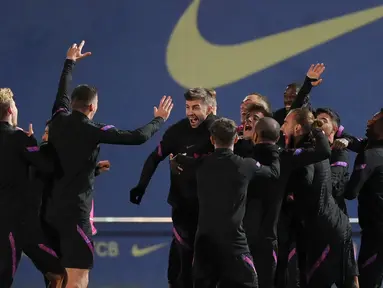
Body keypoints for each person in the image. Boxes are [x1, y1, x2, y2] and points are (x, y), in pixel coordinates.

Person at [45, 41, 173, 288]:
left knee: (58, 277)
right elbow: (137, 137)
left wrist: (69, 62)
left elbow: (61, 91)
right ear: (93, 107)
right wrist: (159, 119)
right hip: (75, 214)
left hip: (50, 213)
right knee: (78, 278)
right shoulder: (92, 130)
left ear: (72, 104)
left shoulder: (58, 118)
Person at [175, 117, 280, 287]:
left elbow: (180, 161)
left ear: (212, 139)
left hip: (204, 243)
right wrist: (270, 146)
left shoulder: (199, 164)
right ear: (236, 139)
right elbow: (274, 173)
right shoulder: (247, 165)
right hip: (234, 243)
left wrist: (174, 161)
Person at [130, 87, 217, 288]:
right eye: (187, 107)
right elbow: (154, 158)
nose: (190, 113)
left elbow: (228, 160)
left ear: (209, 109)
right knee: (179, 272)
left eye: (196, 107)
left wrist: (189, 161)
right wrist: (141, 186)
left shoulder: (217, 130)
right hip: (183, 210)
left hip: (210, 212)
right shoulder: (176, 132)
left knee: (208, 270)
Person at [280, 108, 357, 287]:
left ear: (297, 128)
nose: (281, 127)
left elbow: (306, 183)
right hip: (333, 225)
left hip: (326, 230)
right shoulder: (311, 149)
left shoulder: (306, 154)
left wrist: (287, 193)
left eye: (285, 123)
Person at [0, 88, 65, 288]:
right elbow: (48, 167)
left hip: (18, 227)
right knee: (61, 272)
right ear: (11, 110)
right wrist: (36, 144)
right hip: (13, 226)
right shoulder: (19, 138)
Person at [344, 109, 383, 288]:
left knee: (368, 282)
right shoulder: (371, 148)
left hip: (376, 234)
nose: (369, 120)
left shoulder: (371, 155)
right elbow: (356, 142)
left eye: (375, 118)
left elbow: (350, 192)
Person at [315, 108, 350, 214]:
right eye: (316, 120)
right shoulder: (310, 151)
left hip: (331, 217)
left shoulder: (340, 154)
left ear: (334, 129)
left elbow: (331, 184)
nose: (317, 123)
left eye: (324, 120)